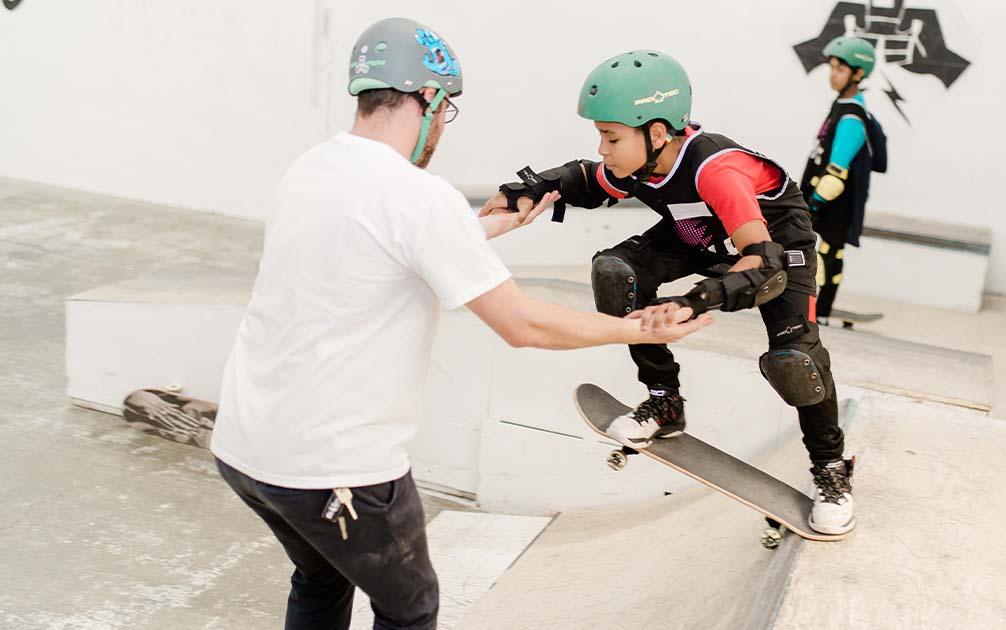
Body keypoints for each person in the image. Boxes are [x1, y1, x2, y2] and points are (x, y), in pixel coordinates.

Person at [209, 20, 710, 630]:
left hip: (243, 449)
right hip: (337, 469)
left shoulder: (312, 169)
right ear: (431, 100)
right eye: (448, 110)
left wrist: (486, 228)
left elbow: (378, 249)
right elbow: (523, 325)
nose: (444, 126)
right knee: (409, 609)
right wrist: (640, 330)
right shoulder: (418, 195)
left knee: (321, 577)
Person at [482, 50, 856, 537]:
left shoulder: (714, 170)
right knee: (619, 272)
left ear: (656, 133)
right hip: (696, 231)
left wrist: (693, 301)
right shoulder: (643, 161)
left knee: (794, 361)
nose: (604, 149)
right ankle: (664, 402)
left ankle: (831, 467)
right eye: (601, 136)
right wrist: (524, 192)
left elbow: (761, 265)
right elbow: (584, 181)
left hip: (775, 245)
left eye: (611, 137)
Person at [799, 36, 884, 324]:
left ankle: (818, 311)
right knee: (828, 252)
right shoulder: (844, 104)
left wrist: (811, 204)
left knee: (824, 254)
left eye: (840, 69)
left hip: (832, 202)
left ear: (858, 73)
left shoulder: (852, 116)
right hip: (829, 202)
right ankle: (820, 309)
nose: (832, 74)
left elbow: (836, 172)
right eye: (832, 67)